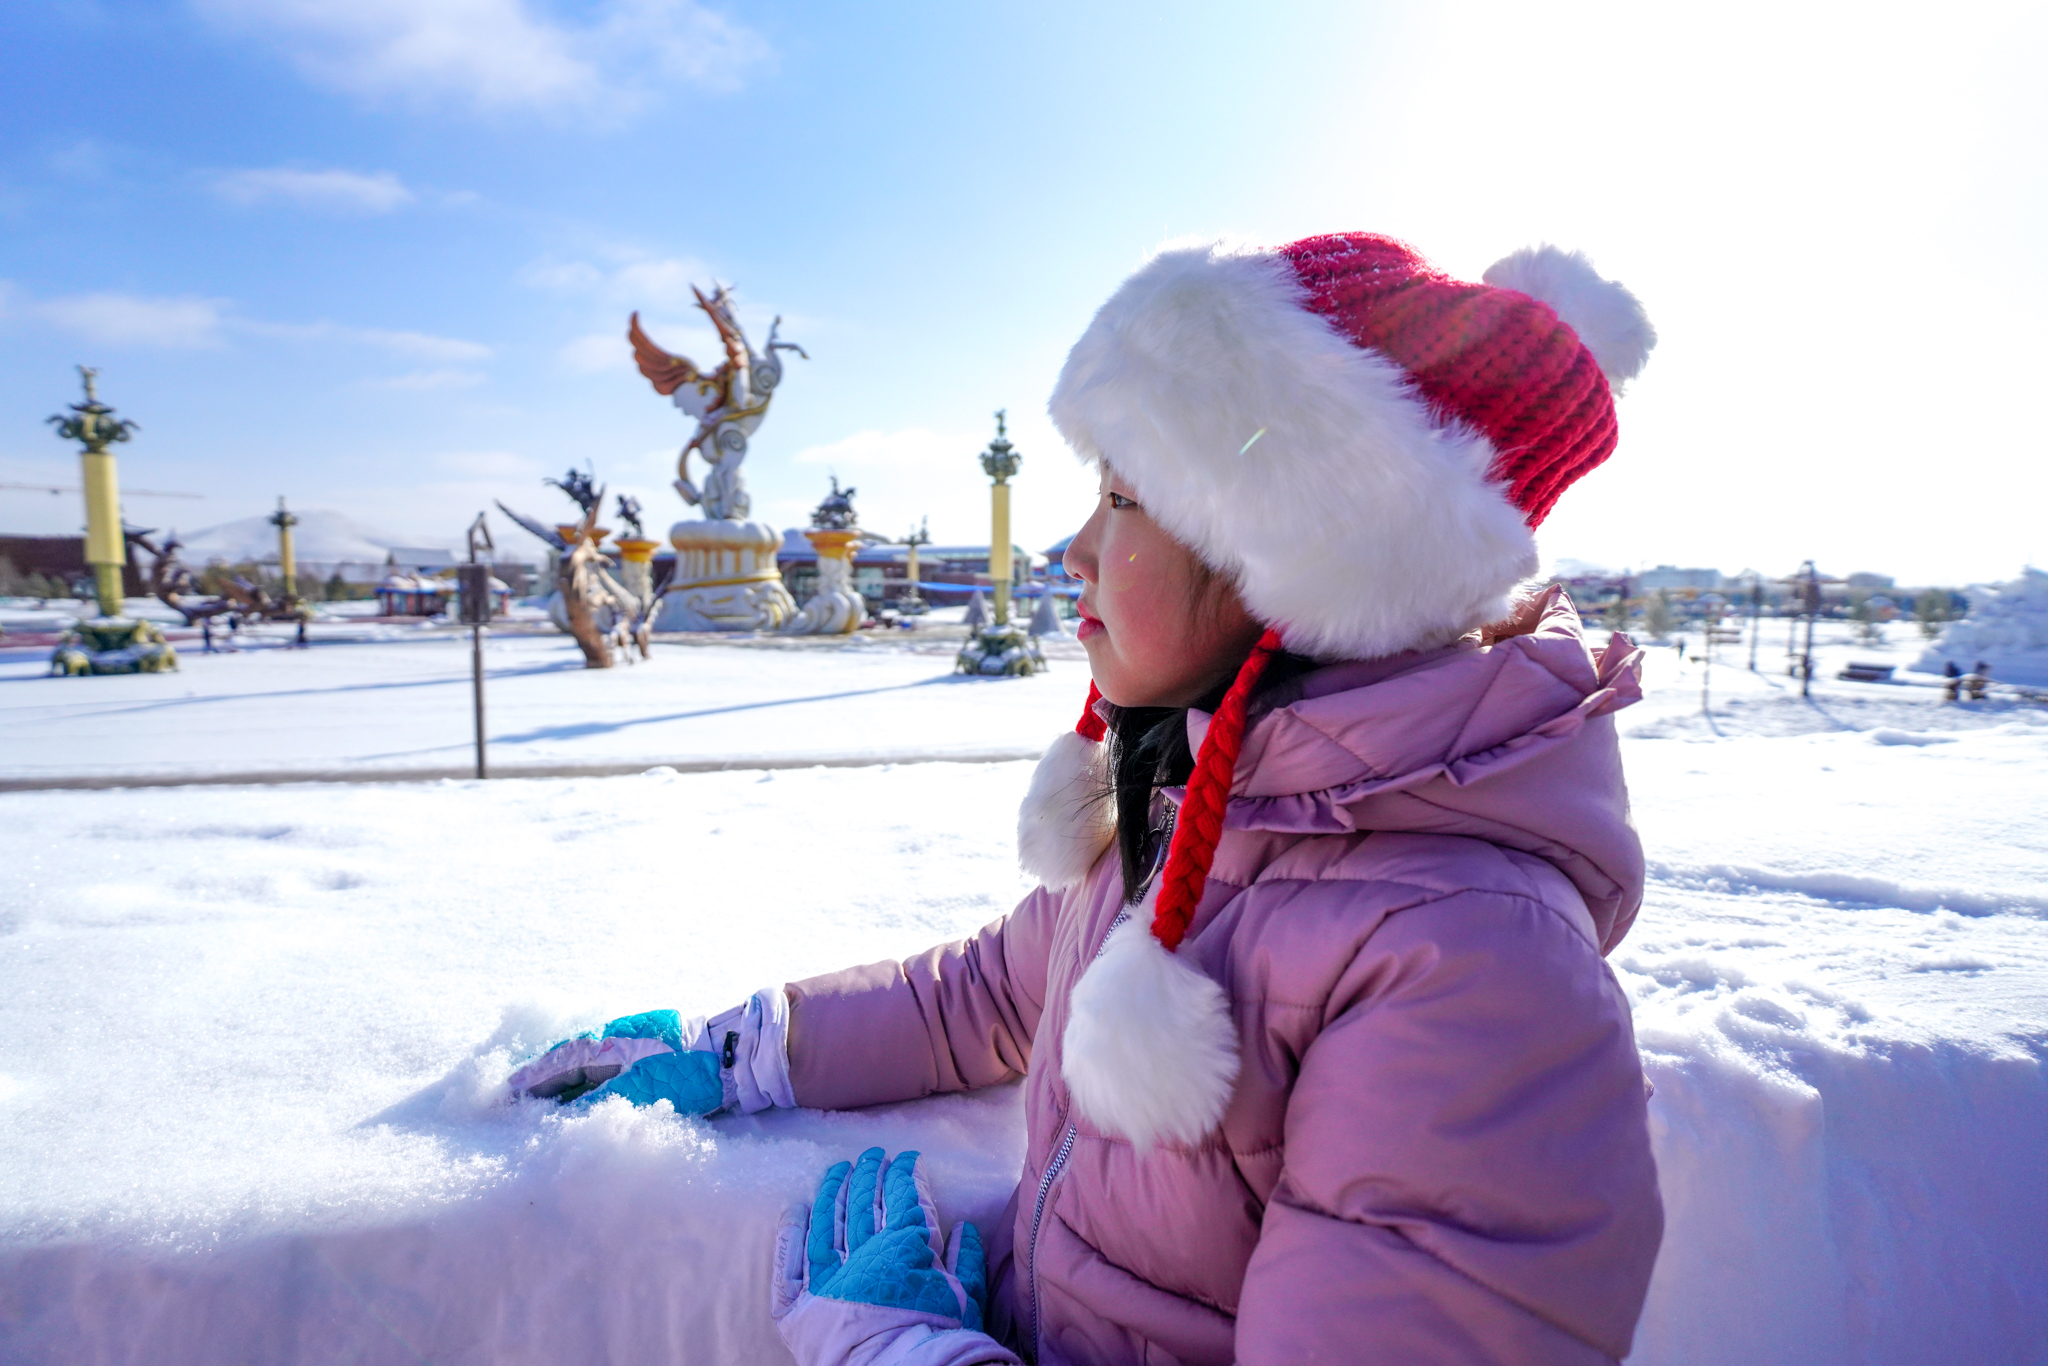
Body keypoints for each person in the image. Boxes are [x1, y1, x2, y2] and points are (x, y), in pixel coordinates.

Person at [511, 234, 1664, 1365]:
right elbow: (984, 994)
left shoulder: (1472, 972)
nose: (1071, 550)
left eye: (1119, 497)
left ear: (1290, 557)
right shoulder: (1198, 808)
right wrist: (746, 1052)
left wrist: (906, 1351)